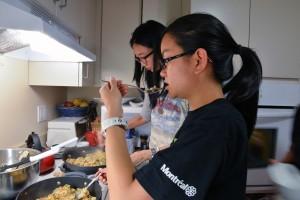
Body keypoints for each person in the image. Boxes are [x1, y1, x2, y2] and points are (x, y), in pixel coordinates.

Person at [99, 13, 262, 200]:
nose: (162, 72)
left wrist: (113, 113)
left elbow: (124, 198)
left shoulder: (214, 126)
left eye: (167, 59)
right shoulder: (208, 117)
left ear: (198, 60)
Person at [127, 20, 189, 166]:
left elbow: (190, 139)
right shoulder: (152, 81)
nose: (142, 63)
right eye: (138, 59)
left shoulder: (186, 83)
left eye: (144, 57)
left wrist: (144, 154)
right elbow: (145, 116)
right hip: (157, 159)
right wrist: (114, 126)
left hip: (179, 160)